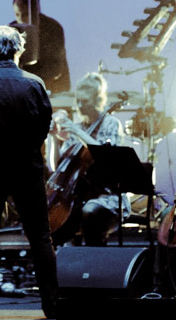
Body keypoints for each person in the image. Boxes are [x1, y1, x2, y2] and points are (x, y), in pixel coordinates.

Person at [0, 25, 58, 318]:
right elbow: (44, 125)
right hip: (26, 167)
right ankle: (51, 305)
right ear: (19, 50)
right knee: (40, 237)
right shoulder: (34, 83)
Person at [50, 72, 129, 246]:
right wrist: (53, 138)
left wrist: (78, 133)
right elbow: (57, 167)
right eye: (77, 100)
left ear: (97, 100)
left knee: (90, 210)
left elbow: (106, 158)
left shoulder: (111, 124)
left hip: (107, 196)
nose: (79, 106)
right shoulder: (77, 126)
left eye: (84, 101)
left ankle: (94, 256)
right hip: (78, 195)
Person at [11, 0, 70, 93]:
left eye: (25, 14)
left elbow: (55, 68)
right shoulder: (11, 31)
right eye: (17, 15)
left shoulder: (53, 28)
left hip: (54, 88)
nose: (21, 20)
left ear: (36, 10)